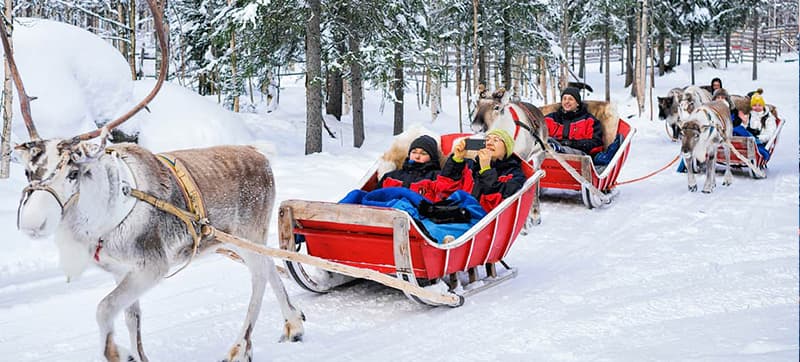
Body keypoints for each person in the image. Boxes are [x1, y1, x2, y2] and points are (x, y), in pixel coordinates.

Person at [435, 129, 525, 213]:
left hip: (476, 219)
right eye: (487, 139)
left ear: (507, 149)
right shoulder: (470, 165)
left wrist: (486, 170)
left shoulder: (514, 174)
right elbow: (444, 187)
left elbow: (497, 204)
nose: (489, 143)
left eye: (496, 140)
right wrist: (457, 159)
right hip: (450, 211)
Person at [377, 135, 441, 200]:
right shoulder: (390, 176)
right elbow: (373, 197)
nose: (417, 156)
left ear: (432, 158)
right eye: (414, 152)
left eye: (423, 153)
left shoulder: (437, 178)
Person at [544, 87, 604, 156]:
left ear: (577, 103)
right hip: (549, 156)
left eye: (570, 99)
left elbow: (596, 143)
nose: (567, 102)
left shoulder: (589, 121)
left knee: (562, 150)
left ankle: (557, 149)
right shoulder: (550, 119)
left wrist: (571, 143)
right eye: (564, 99)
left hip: (579, 156)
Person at [745, 93, 776, 160]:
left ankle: (761, 152)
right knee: (738, 129)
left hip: (760, 141)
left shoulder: (768, 118)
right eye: (754, 105)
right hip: (747, 140)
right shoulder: (749, 115)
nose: (757, 107)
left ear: (763, 106)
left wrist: (758, 139)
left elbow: (770, 133)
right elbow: (744, 127)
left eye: (759, 105)